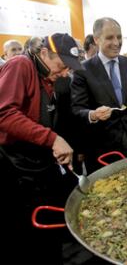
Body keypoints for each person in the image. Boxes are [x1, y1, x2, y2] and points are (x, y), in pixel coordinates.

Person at [0, 33, 82, 263]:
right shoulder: (20, 65)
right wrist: (52, 139)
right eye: (62, 65)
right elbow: (4, 113)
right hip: (14, 165)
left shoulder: (47, 76)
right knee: (26, 237)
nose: (65, 72)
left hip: (37, 162)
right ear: (44, 53)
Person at [71, 17, 127, 173]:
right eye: (110, 38)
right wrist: (93, 114)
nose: (117, 42)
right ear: (96, 39)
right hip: (102, 146)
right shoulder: (82, 70)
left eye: (119, 37)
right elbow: (77, 109)